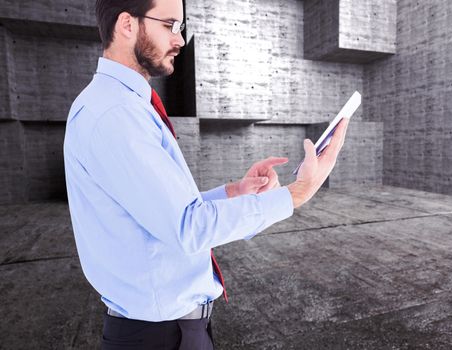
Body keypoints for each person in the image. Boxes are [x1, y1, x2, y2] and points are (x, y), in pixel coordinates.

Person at [63, 0, 349, 348]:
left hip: (170, 330)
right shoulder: (116, 114)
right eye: (169, 25)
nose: (180, 39)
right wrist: (296, 193)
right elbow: (187, 228)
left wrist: (233, 192)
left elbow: (161, 215)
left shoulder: (120, 105)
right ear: (127, 24)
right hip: (158, 336)